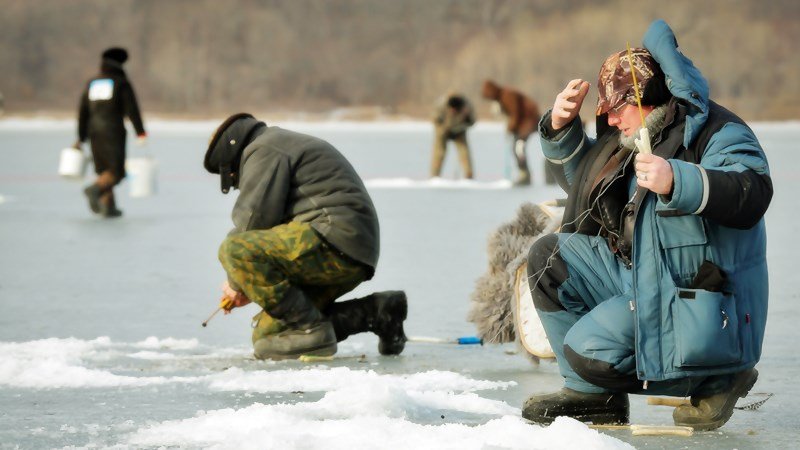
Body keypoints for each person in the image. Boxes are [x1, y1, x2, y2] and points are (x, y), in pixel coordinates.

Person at [523, 20, 771, 431]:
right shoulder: (639, 135)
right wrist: (561, 130)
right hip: (635, 275)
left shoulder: (715, 131)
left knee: (591, 352)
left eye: (616, 110)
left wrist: (679, 180)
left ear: (647, 99)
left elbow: (753, 191)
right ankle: (590, 398)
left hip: (696, 299)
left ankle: (719, 377)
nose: (611, 120)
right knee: (549, 257)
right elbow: (589, 185)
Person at [204, 113, 408, 360]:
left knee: (232, 249)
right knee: (269, 337)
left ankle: (311, 330)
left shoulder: (265, 148)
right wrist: (249, 283)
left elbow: (253, 223)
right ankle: (377, 312)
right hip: (352, 251)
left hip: (332, 238)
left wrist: (236, 283)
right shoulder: (276, 143)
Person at [74, 47, 147, 218]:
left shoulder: (92, 83)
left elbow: (83, 111)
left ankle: (109, 207)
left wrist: (81, 136)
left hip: (94, 131)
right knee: (115, 172)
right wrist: (140, 132)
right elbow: (132, 109)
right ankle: (94, 190)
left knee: (103, 169)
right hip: (113, 131)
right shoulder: (120, 83)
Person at [481, 79, 540, 186]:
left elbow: (515, 113)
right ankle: (524, 174)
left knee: (519, 147)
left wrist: (510, 128)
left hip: (528, 122)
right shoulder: (503, 96)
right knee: (516, 147)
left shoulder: (508, 95)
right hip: (524, 123)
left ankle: (525, 176)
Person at [430, 93, 476, 179]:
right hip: (443, 130)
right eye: (452, 110)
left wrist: (462, 124)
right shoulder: (441, 106)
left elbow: (472, 122)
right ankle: (434, 176)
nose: (454, 112)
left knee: (464, 152)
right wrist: (443, 129)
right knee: (439, 152)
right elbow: (435, 120)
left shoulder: (467, 107)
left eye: (456, 110)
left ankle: (469, 175)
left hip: (459, 131)